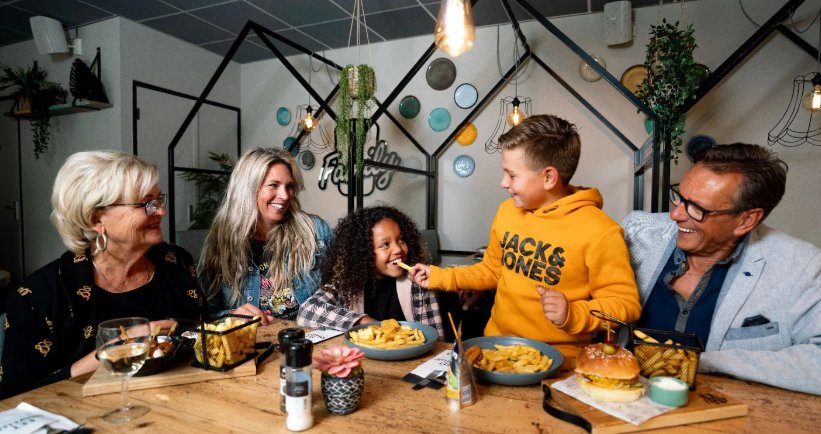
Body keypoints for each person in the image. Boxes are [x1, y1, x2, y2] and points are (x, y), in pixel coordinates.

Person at [410, 114, 641, 357]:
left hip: (560, 360)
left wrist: (574, 314)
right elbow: (492, 271)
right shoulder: (507, 211)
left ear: (549, 177)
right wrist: (440, 276)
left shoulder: (601, 231)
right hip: (495, 347)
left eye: (512, 175)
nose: (503, 182)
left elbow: (625, 304)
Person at [0, 151, 203, 399]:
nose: (161, 212)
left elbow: (198, 336)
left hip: (183, 401)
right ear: (95, 219)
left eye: (159, 200)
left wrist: (232, 320)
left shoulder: (176, 262)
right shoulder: (36, 297)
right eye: (145, 203)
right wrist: (116, 350)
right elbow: (14, 398)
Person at [622, 143, 820, 395]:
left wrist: (703, 362)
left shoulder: (801, 265)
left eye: (697, 208)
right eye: (680, 197)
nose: (676, 215)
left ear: (746, 220)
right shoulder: (636, 232)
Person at [199, 147, 332, 325]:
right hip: (255, 341)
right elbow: (205, 315)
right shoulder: (221, 244)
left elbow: (346, 289)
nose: (285, 196)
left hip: (311, 338)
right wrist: (230, 316)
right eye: (273, 185)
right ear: (248, 189)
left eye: (289, 186)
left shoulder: (316, 231)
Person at [297, 205, 444, 338]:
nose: (398, 249)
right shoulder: (347, 283)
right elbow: (307, 311)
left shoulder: (418, 283)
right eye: (385, 244)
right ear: (364, 251)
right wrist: (363, 321)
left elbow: (436, 341)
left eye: (401, 240)